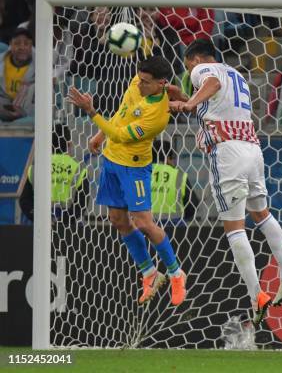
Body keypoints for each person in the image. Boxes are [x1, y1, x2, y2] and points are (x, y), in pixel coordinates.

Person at [168, 40, 282, 326]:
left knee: (234, 228)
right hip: (253, 149)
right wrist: (185, 97)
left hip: (227, 151)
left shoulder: (202, 69)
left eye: (189, 65)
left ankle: (256, 296)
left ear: (193, 59)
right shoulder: (236, 74)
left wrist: (188, 101)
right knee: (262, 214)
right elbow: (215, 102)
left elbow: (211, 84)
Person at [67, 56, 187, 307]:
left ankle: (176, 273)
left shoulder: (158, 115)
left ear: (161, 83)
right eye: (139, 79)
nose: (140, 84)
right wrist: (100, 135)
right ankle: (150, 273)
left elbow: (120, 135)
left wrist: (91, 112)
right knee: (118, 220)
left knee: (143, 222)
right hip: (111, 162)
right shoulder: (138, 80)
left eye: (145, 82)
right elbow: (122, 112)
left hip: (134, 168)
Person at [19, 123, 89, 224]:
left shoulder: (36, 169)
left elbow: (24, 201)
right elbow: (82, 204)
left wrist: (39, 217)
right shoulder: (78, 169)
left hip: (42, 227)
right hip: (71, 228)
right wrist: (62, 220)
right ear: (69, 145)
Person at [151, 139, 199, 224]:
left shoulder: (142, 173)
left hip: (146, 223)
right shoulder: (178, 175)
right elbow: (192, 204)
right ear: (169, 157)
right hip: (174, 224)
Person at [0, 27, 34, 123]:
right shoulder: (2, 62)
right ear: (10, 44)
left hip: (27, 109)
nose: (22, 47)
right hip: (4, 105)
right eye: (17, 43)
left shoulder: (40, 66)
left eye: (26, 44)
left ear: (31, 45)